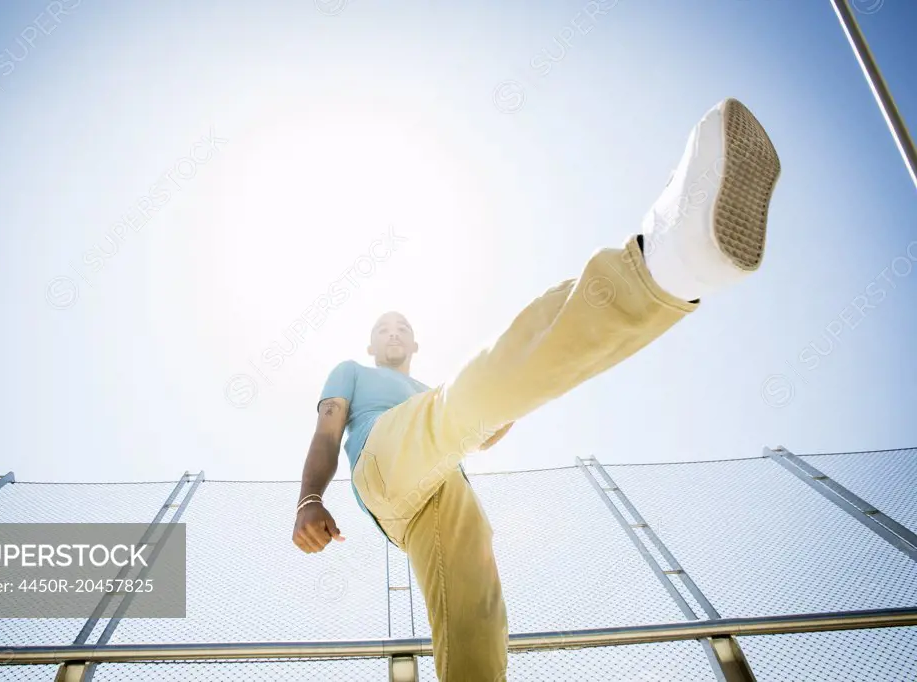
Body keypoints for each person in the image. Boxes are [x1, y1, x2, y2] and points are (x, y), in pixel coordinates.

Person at [292, 97, 781, 681]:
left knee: (478, 618)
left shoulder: (424, 383)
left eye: (401, 327)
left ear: (414, 343)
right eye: (382, 328)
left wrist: (502, 408)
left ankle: (670, 270)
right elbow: (326, 433)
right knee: (455, 405)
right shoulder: (352, 370)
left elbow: (476, 429)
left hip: (443, 486)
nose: (391, 331)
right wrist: (308, 499)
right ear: (372, 344)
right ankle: (664, 266)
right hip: (383, 467)